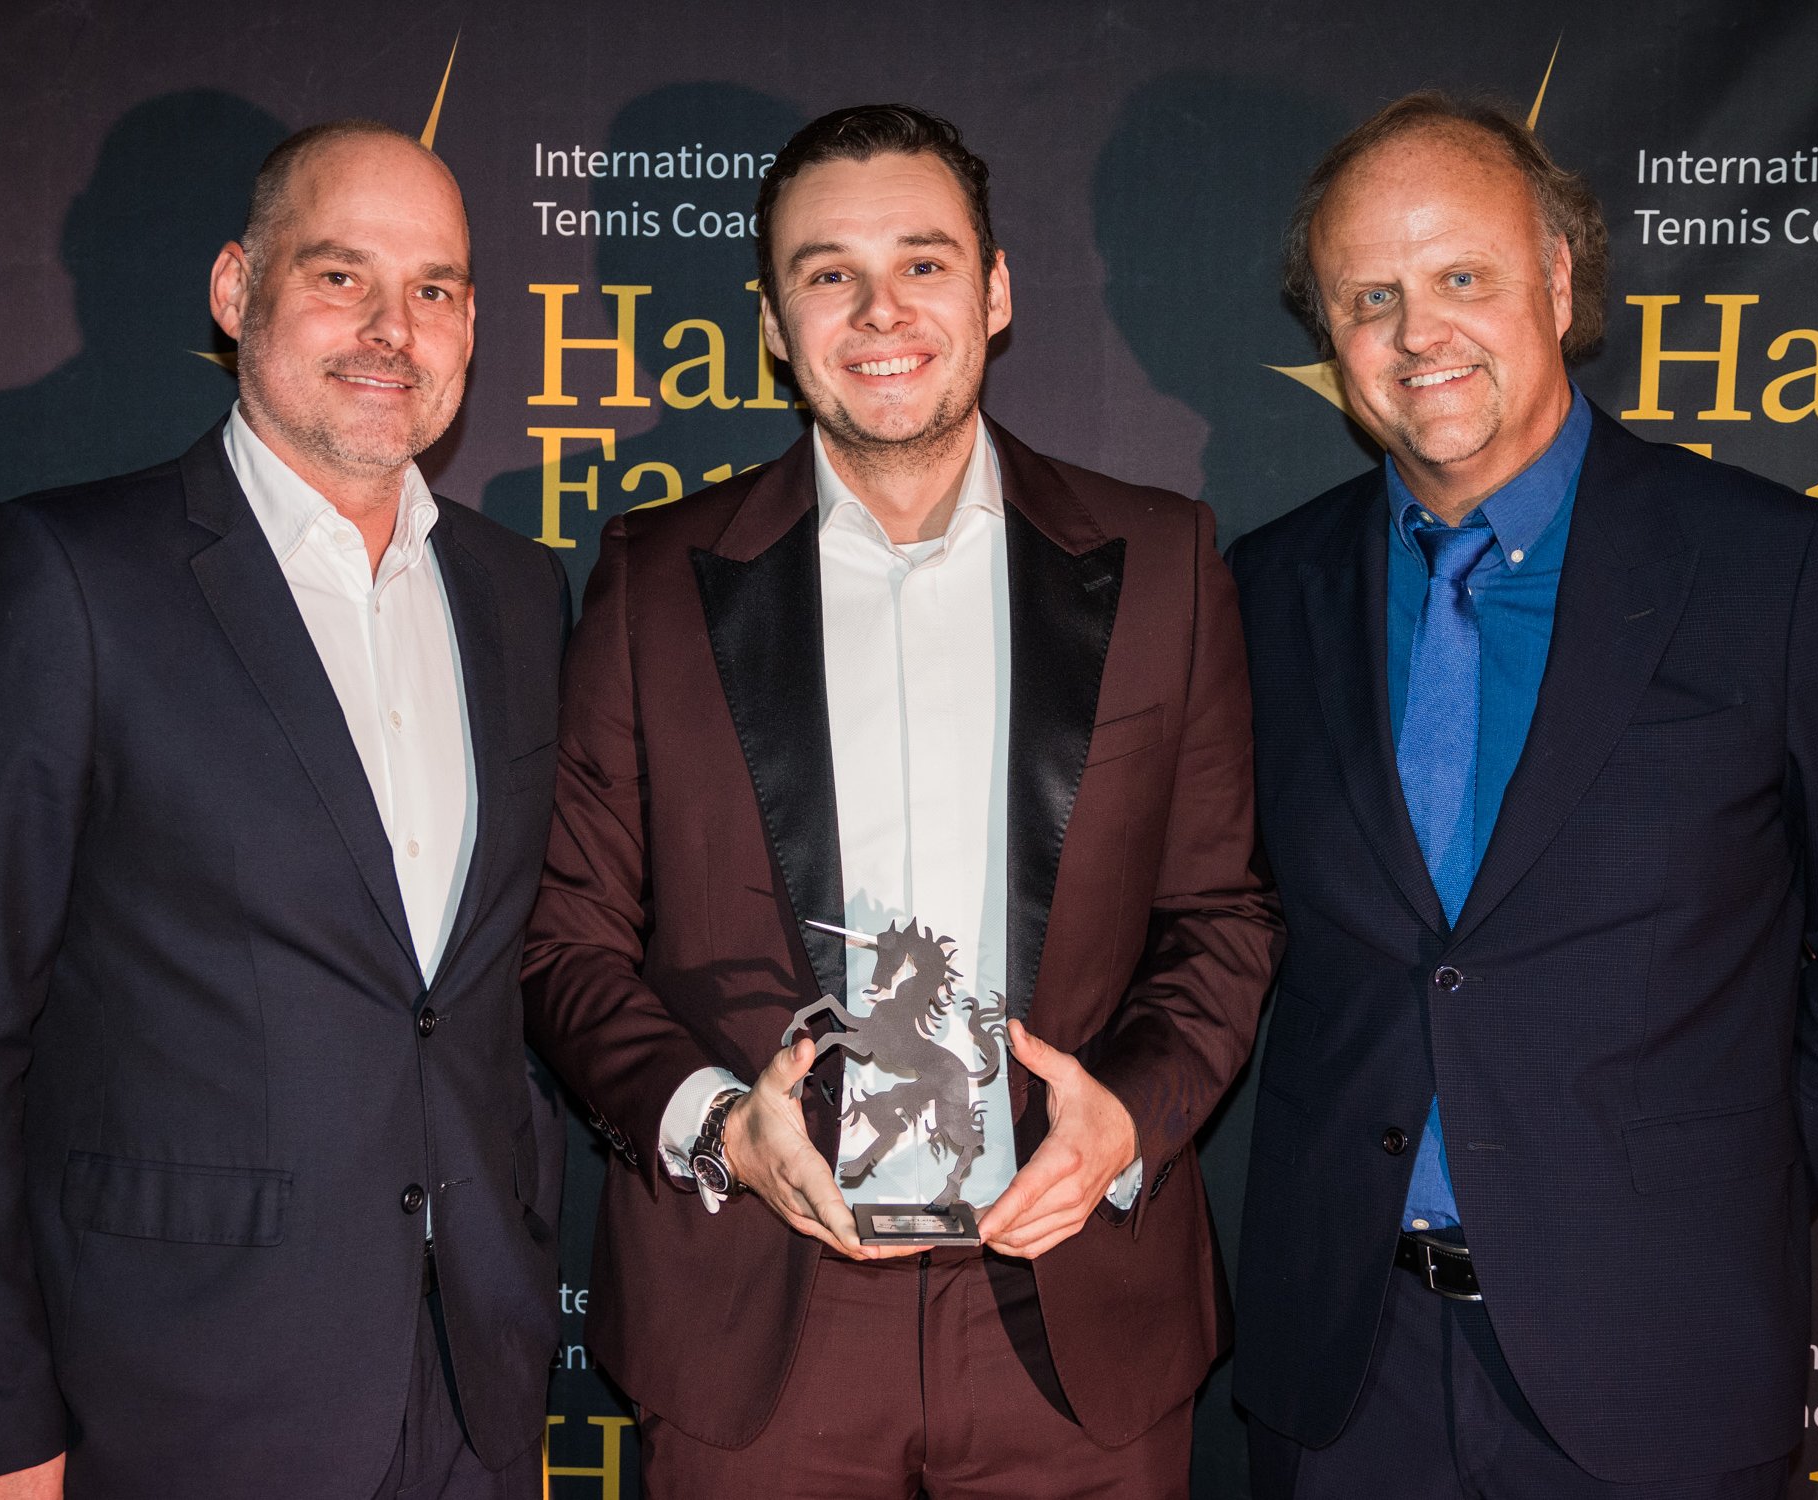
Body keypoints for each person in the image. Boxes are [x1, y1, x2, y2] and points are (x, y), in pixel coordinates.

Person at [1226, 93, 1818, 1498]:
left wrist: (1728, 1180)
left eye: (1463, 276)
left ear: (1559, 281)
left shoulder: (1773, 572)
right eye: (1370, 298)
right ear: (1330, 335)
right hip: (1344, 1377)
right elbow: (1228, 921)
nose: (1419, 333)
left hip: (1658, 1364)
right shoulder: (1264, 592)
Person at [522, 103, 1280, 1498]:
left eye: (925, 263)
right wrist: (719, 1126)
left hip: (1075, 1310)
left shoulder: (1164, 562)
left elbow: (1221, 916)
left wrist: (1129, 1117)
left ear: (995, 293)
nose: (882, 311)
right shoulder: (652, 581)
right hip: (759, 1313)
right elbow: (569, 942)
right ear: (774, 323)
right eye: (830, 273)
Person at [0, 120, 566, 1499]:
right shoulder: (65, 577)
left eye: (432, 289)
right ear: (238, 290)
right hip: (173, 1394)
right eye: (340, 275)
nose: (391, 327)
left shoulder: (519, 592)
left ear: (472, 325)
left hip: (472, 1391)